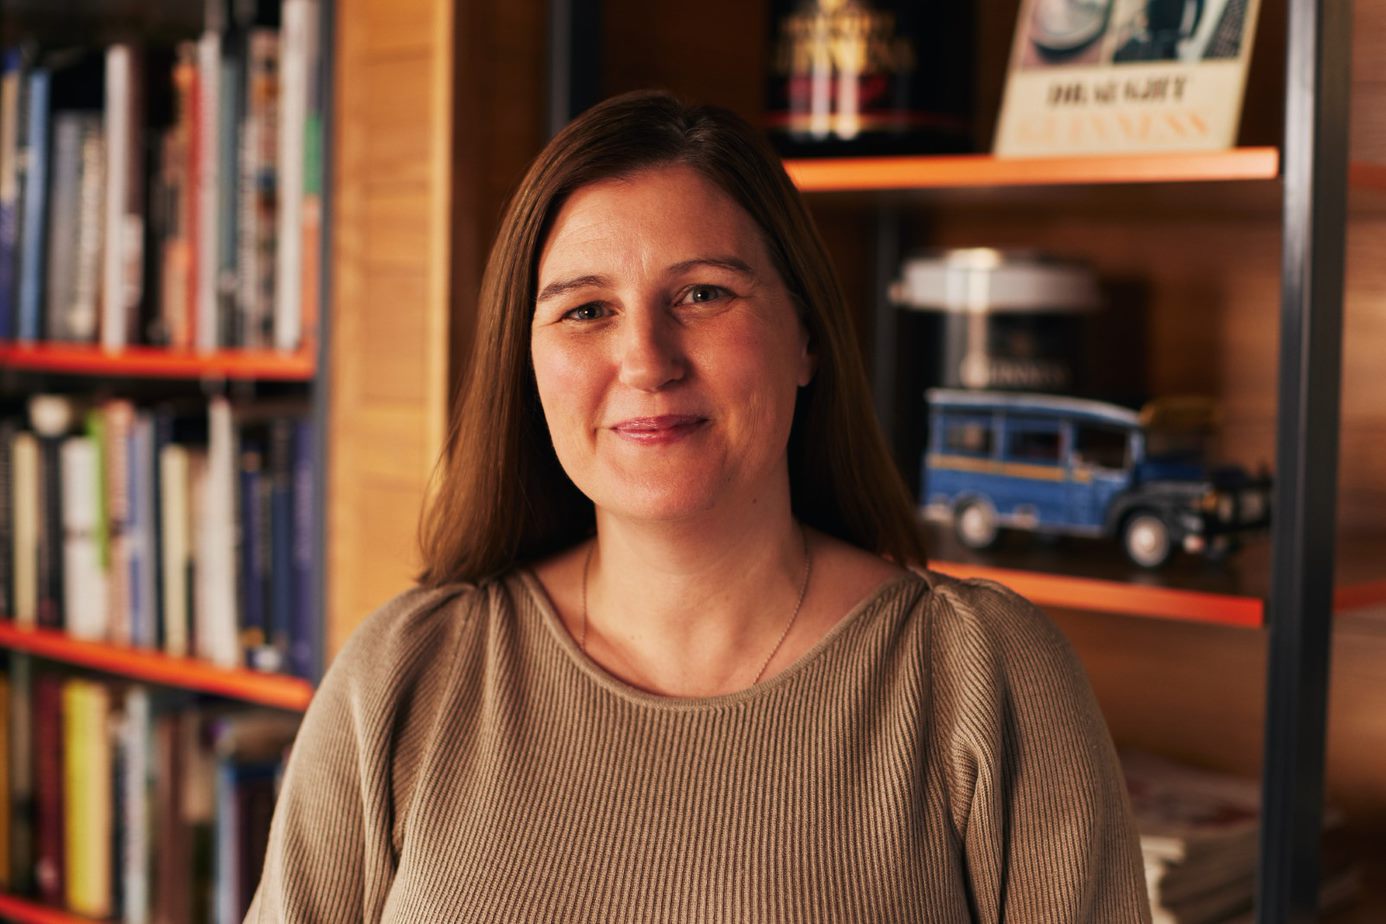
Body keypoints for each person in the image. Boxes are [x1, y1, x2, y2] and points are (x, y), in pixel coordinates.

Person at [247, 91, 1150, 922]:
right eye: (586, 311)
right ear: (527, 367)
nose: (646, 359)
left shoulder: (981, 678)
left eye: (703, 294)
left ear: (805, 334)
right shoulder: (405, 676)